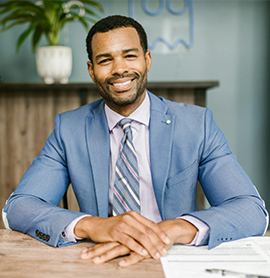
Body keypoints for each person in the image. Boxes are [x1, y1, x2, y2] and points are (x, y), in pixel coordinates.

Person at [3, 15, 268, 267]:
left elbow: (251, 210)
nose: (120, 69)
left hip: (174, 256)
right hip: (99, 258)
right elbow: (18, 207)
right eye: (105, 60)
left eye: (129, 56)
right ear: (92, 70)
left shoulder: (197, 124)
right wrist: (95, 225)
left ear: (147, 59)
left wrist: (171, 229)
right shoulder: (68, 129)